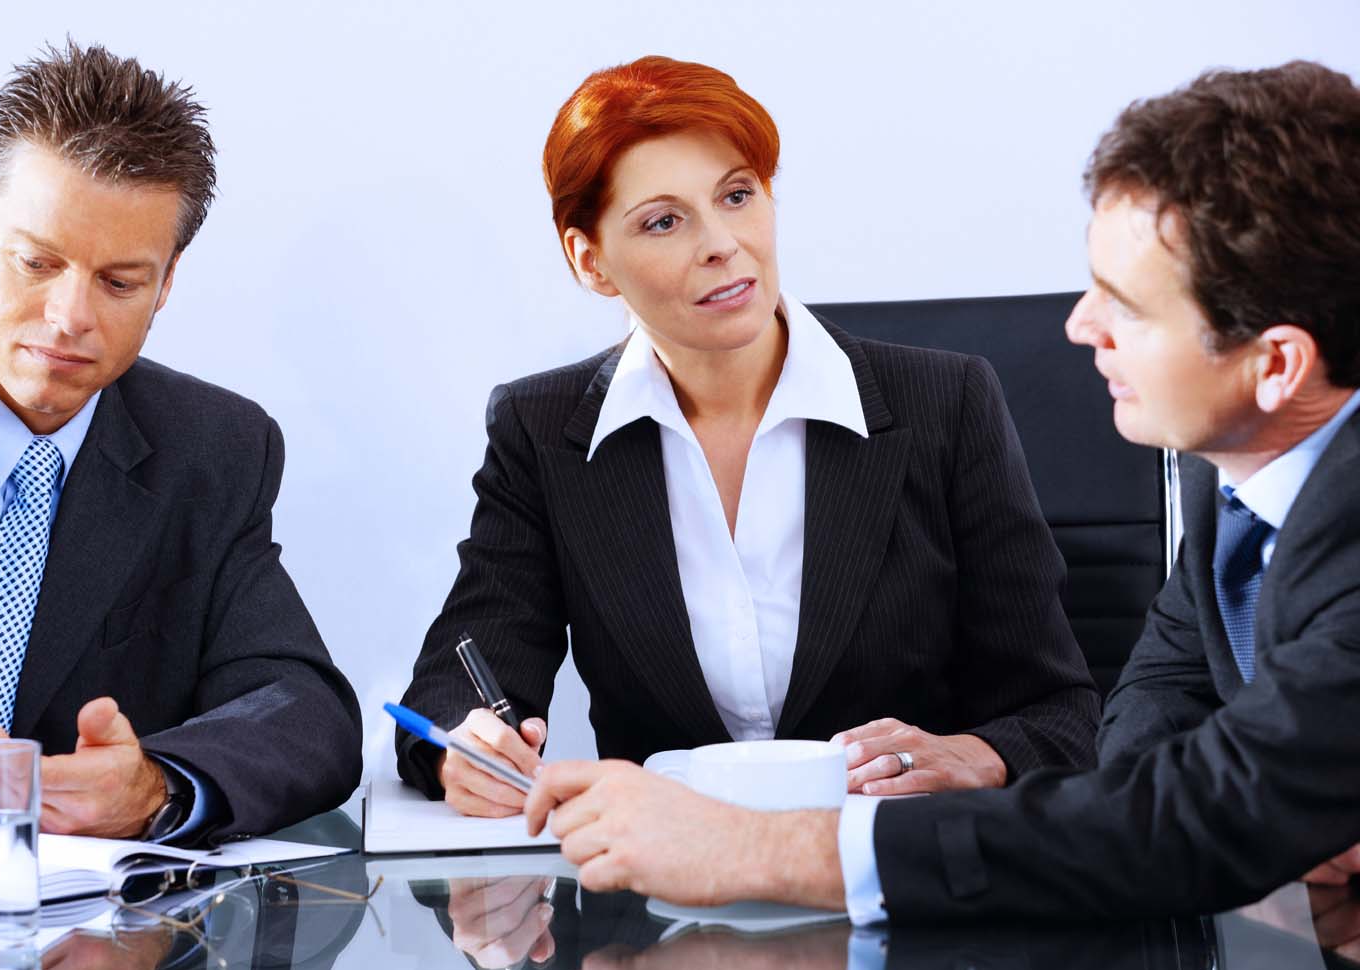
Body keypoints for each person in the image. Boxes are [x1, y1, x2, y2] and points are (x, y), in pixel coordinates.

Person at [524, 60, 1360, 922]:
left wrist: (748, 849)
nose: (1078, 326)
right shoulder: (1225, 470)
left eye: (1128, 305)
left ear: (1278, 366)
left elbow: (1167, 806)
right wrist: (1246, 803)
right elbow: (1166, 690)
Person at [396, 56, 1099, 817]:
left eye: (737, 195)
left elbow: (1059, 712)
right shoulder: (545, 432)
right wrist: (457, 748)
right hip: (662, 899)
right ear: (591, 260)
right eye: (664, 221)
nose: (722, 243)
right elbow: (461, 676)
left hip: (906, 879)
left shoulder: (945, 403)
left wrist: (978, 755)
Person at [0, 41, 362, 851]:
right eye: (37, 262)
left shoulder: (212, 450)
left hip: (85, 952)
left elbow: (303, 709)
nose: (71, 316)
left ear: (167, 281)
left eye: (120, 283)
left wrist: (159, 785)